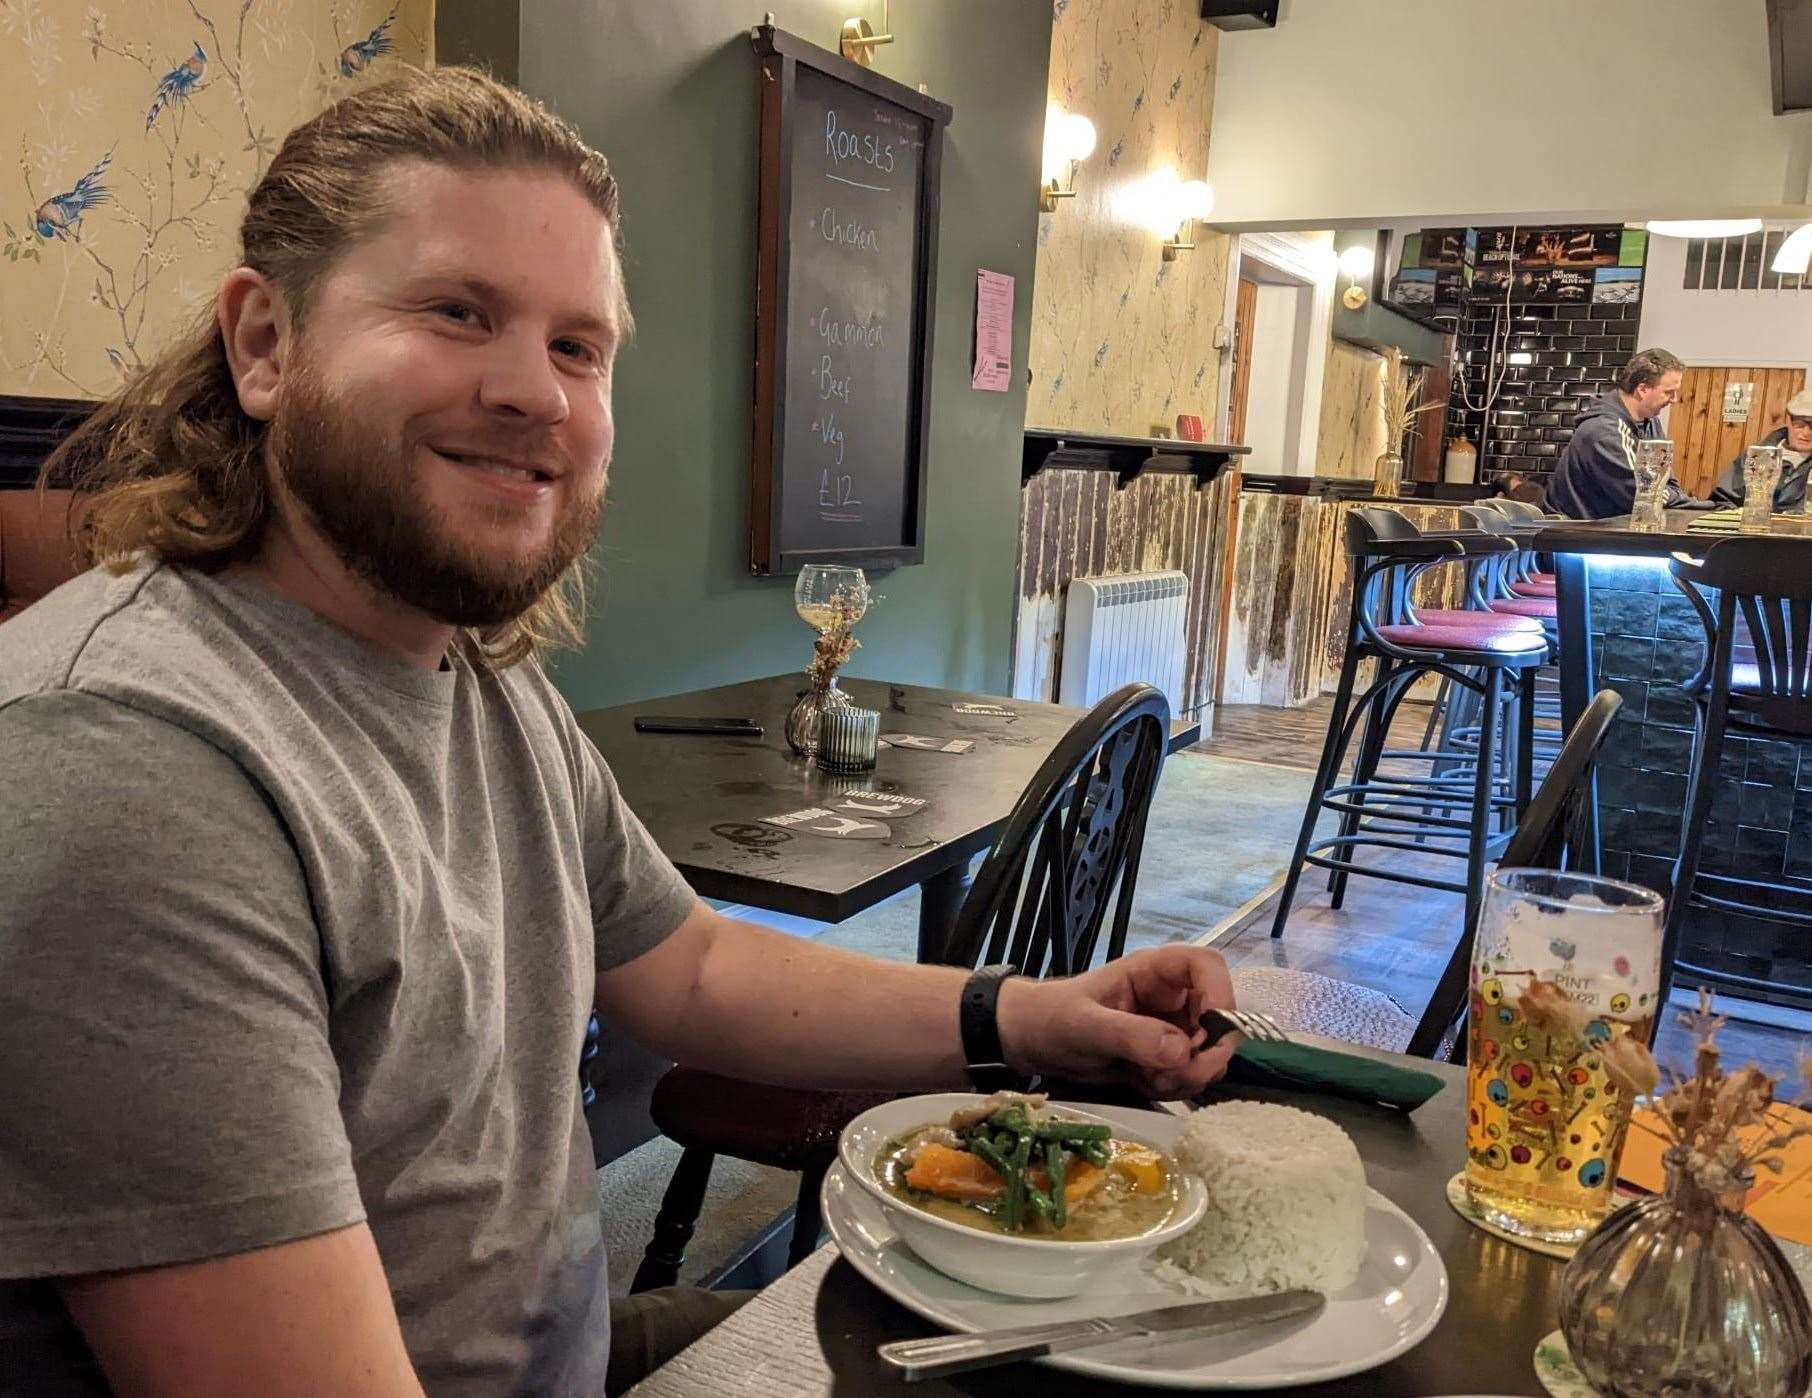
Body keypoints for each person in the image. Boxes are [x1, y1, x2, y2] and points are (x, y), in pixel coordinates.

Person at [0, 68, 1239, 1397]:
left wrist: (1044, 1017)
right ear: (264, 345)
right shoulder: (130, 765)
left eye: (577, 346)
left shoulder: (473, 669)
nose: (535, 393)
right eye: (456, 311)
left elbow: (691, 971)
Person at [1545, 348, 1689, 519]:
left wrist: (1671, 496)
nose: (1674, 399)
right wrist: (1686, 500)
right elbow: (1642, 497)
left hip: (1613, 533)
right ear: (1643, 389)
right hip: (1576, 536)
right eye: (1668, 392)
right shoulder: (1603, 430)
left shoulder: (1650, 423)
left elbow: (1667, 483)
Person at [1708, 388, 1812, 509]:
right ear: (1788, 420)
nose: (1806, 432)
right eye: (1799, 424)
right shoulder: (1756, 456)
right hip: (1753, 526)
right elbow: (1723, 501)